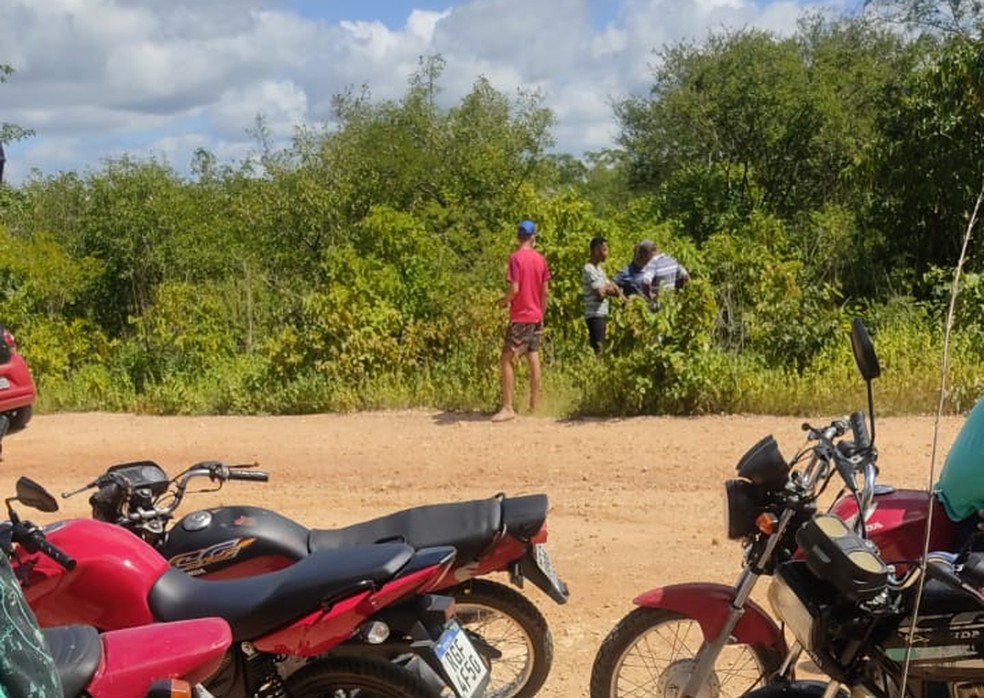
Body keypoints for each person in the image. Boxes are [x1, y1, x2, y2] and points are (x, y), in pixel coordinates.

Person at [492, 220, 551, 423]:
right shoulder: (541, 260)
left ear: (518, 237)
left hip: (520, 316)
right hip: (536, 315)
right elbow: (545, 292)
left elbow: (515, 289)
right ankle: (534, 405)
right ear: (533, 237)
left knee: (506, 359)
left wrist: (502, 302)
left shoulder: (515, 258)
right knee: (533, 356)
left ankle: (508, 407)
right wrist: (541, 315)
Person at [582, 236, 622, 354]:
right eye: (604, 250)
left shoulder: (600, 270)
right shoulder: (588, 269)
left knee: (603, 347)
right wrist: (608, 289)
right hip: (595, 315)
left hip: (602, 313)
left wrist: (609, 289)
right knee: (599, 349)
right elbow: (600, 294)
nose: (606, 253)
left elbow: (614, 289)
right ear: (596, 250)